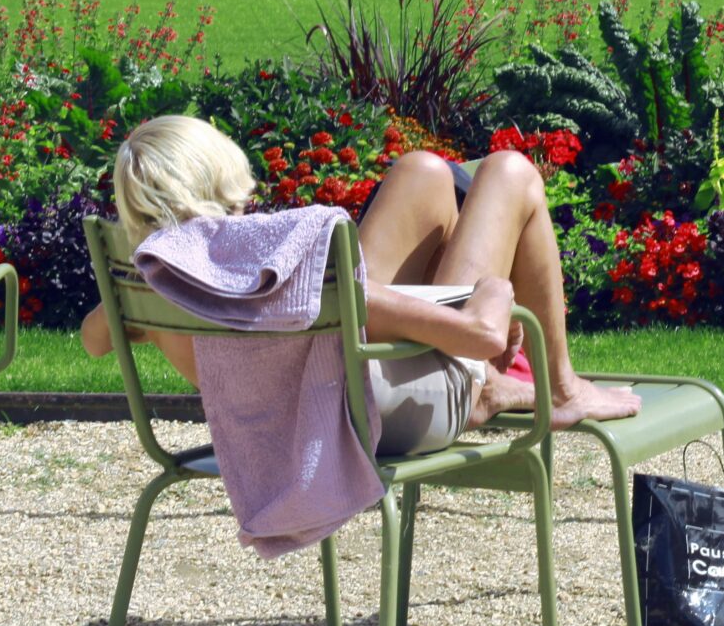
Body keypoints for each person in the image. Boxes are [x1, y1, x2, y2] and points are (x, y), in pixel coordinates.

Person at [82, 118, 640, 449]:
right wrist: (497, 296)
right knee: (511, 173)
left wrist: (131, 293)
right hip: (370, 414)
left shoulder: (161, 281)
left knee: (422, 171)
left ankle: (492, 389)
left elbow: (92, 340)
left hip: (324, 398)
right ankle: (559, 389)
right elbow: (480, 335)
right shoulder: (269, 270)